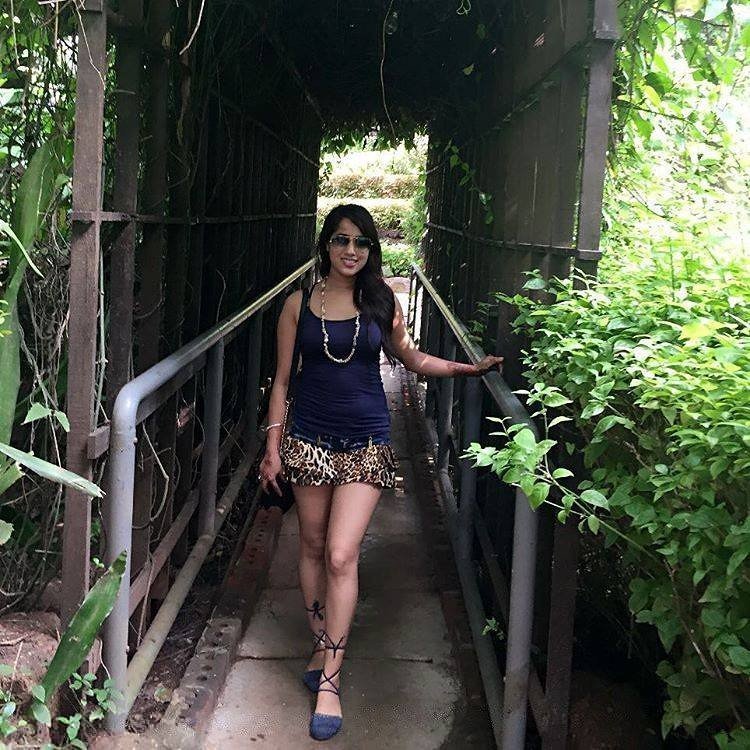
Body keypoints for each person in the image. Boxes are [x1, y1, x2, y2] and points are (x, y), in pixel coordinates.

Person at [258, 203, 502, 741]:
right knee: (312, 547)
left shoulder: (381, 302)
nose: (351, 251)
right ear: (326, 244)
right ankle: (321, 642)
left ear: (372, 250)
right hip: (308, 439)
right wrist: (272, 447)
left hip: (366, 440)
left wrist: (466, 368)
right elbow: (281, 382)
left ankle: (331, 680)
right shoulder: (298, 305)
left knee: (341, 554)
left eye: (361, 242)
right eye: (341, 240)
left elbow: (412, 359)